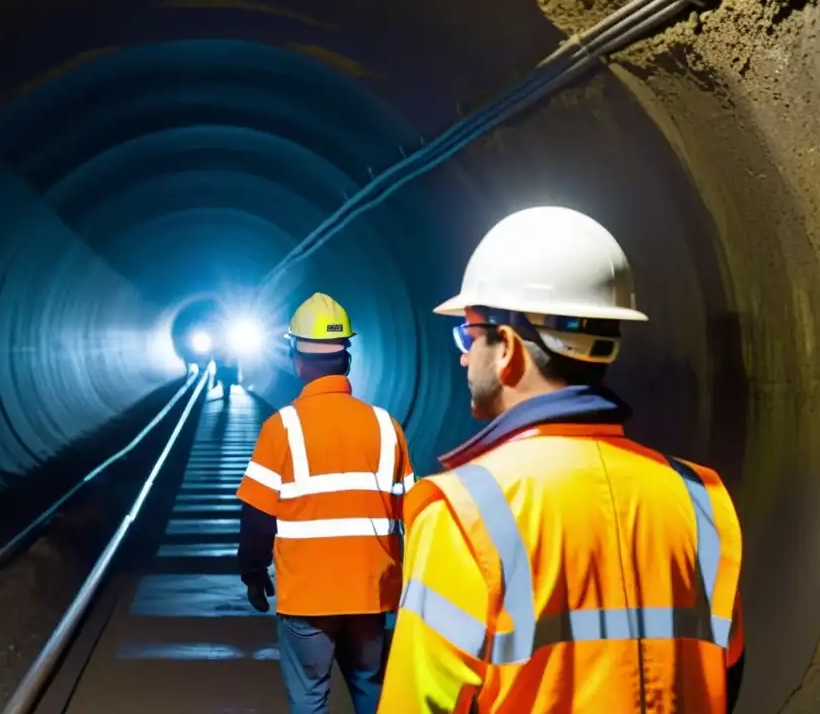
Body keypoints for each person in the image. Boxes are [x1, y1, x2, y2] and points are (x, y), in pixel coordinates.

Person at [377, 206, 745, 714]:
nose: (463, 355)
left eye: (467, 334)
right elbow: (725, 677)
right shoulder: (701, 502)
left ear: (506, 347)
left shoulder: (465, 519)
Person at [236, 292, 415, 714]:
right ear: (347, 359)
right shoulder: (386, 426)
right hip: (372, 596)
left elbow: (257, 516)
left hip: (308, 598)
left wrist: (253, 572)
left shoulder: (281, 428)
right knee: (374, 695)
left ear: (296, 359)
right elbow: (415, 513)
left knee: (310, 699)